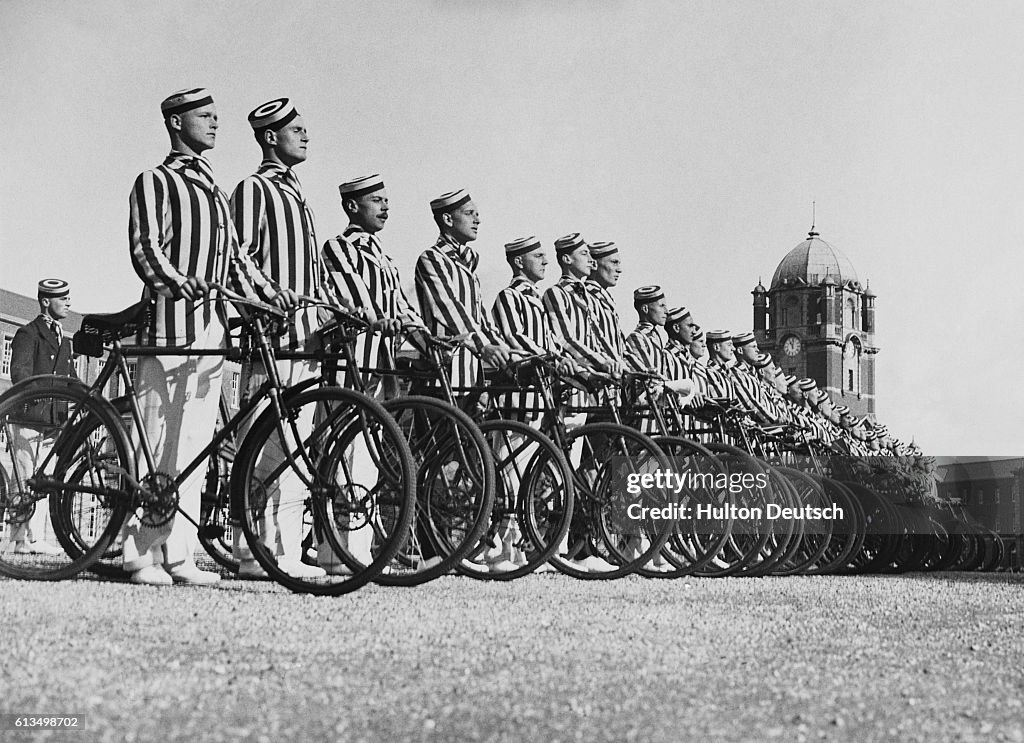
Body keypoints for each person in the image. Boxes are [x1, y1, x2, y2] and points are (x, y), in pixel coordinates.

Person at [124, 87, 291, 586]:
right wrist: (180, 282)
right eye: (204, 115)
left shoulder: (216, 192)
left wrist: (268, 294)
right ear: (176, 123)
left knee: (195, 443)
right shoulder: (156, 181)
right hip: (170, 331)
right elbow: (147, 249)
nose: (215, 122)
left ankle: (178, 552)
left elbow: (237, 261)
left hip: (211, 331)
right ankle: (137, 551)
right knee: (157, 440)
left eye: (217, 114)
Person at [228, 97, 325, 580]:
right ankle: (256, 551)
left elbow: (311, 272)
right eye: (297, 130)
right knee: (267, 447)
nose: (306, 136)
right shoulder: (254, 189)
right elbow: (237, 258)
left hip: (305, 343)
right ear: (270, 137)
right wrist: (272, 298)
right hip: (272, 338)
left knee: (294, 449)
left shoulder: (299, 195)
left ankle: (277, 548)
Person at [321, 174, 427, 573]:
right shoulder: (340, 247)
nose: (384, 207)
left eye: (386, 200)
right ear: (352, 207)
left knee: (367, 453)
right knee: (344, 451)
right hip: (350, 360)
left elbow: (401, 303)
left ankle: (360, 550)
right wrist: (383, 319)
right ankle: (335, 550)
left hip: (379, 363)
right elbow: (352, 296)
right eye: (375, 201)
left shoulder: (384, 256)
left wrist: (420, 333)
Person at [6, 278, 78, 555]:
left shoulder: (65, 339)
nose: (69, 303)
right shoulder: (29, 333)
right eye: (63, 299)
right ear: (46, 302)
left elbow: (68, 377)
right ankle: (19, 538)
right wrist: (39, 397)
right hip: (30, 416)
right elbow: (20, 373)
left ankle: (35, 538)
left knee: (46, 478)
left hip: (54, 418)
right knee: (24, 477)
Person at [415, 189, 510, 392]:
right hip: (443, 373)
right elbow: (449, 308)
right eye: (469, 214)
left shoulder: (468, 268)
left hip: (470, 374)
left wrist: (508, 352)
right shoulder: (433, 258)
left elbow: (483, 321)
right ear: (448, 219)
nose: (478, 220)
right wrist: (482, 345)